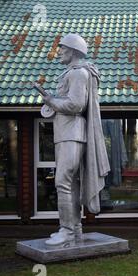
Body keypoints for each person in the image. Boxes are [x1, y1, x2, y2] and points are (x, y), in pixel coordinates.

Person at [41, 34, 110, 247]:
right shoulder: (74, 73)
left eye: (62, 48)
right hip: (67, 132)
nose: (59, 51)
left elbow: (76, 105)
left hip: (72, 132)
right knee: (71, 182)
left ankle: (67, 231)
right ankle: (75, 230)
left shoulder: (78, 73)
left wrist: (51, 100)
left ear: (72, 50)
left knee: (63, 181)